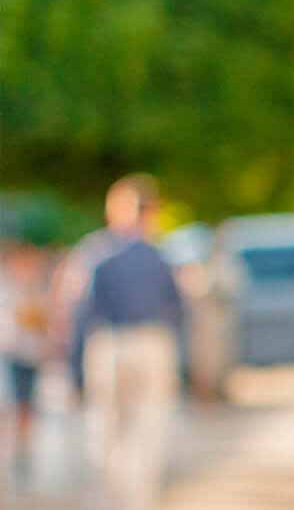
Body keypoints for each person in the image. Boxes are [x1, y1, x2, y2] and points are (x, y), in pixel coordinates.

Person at [65, 175, 186, 510]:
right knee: (144, 428)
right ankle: (138, 499)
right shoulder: (160, 256)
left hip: (113, 345)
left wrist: (74, 368)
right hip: (143, 344)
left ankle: (116, 499)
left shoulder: (95, 253)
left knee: (109, 430)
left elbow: (81, 313)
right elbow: (178, 310)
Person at [1, 239, 53, 488]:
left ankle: (21, 452)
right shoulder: (7, 286)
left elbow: (43, 320)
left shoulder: (37, 288)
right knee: (11, 404)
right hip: (10, 352)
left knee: (26, 406)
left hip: (30, 354)